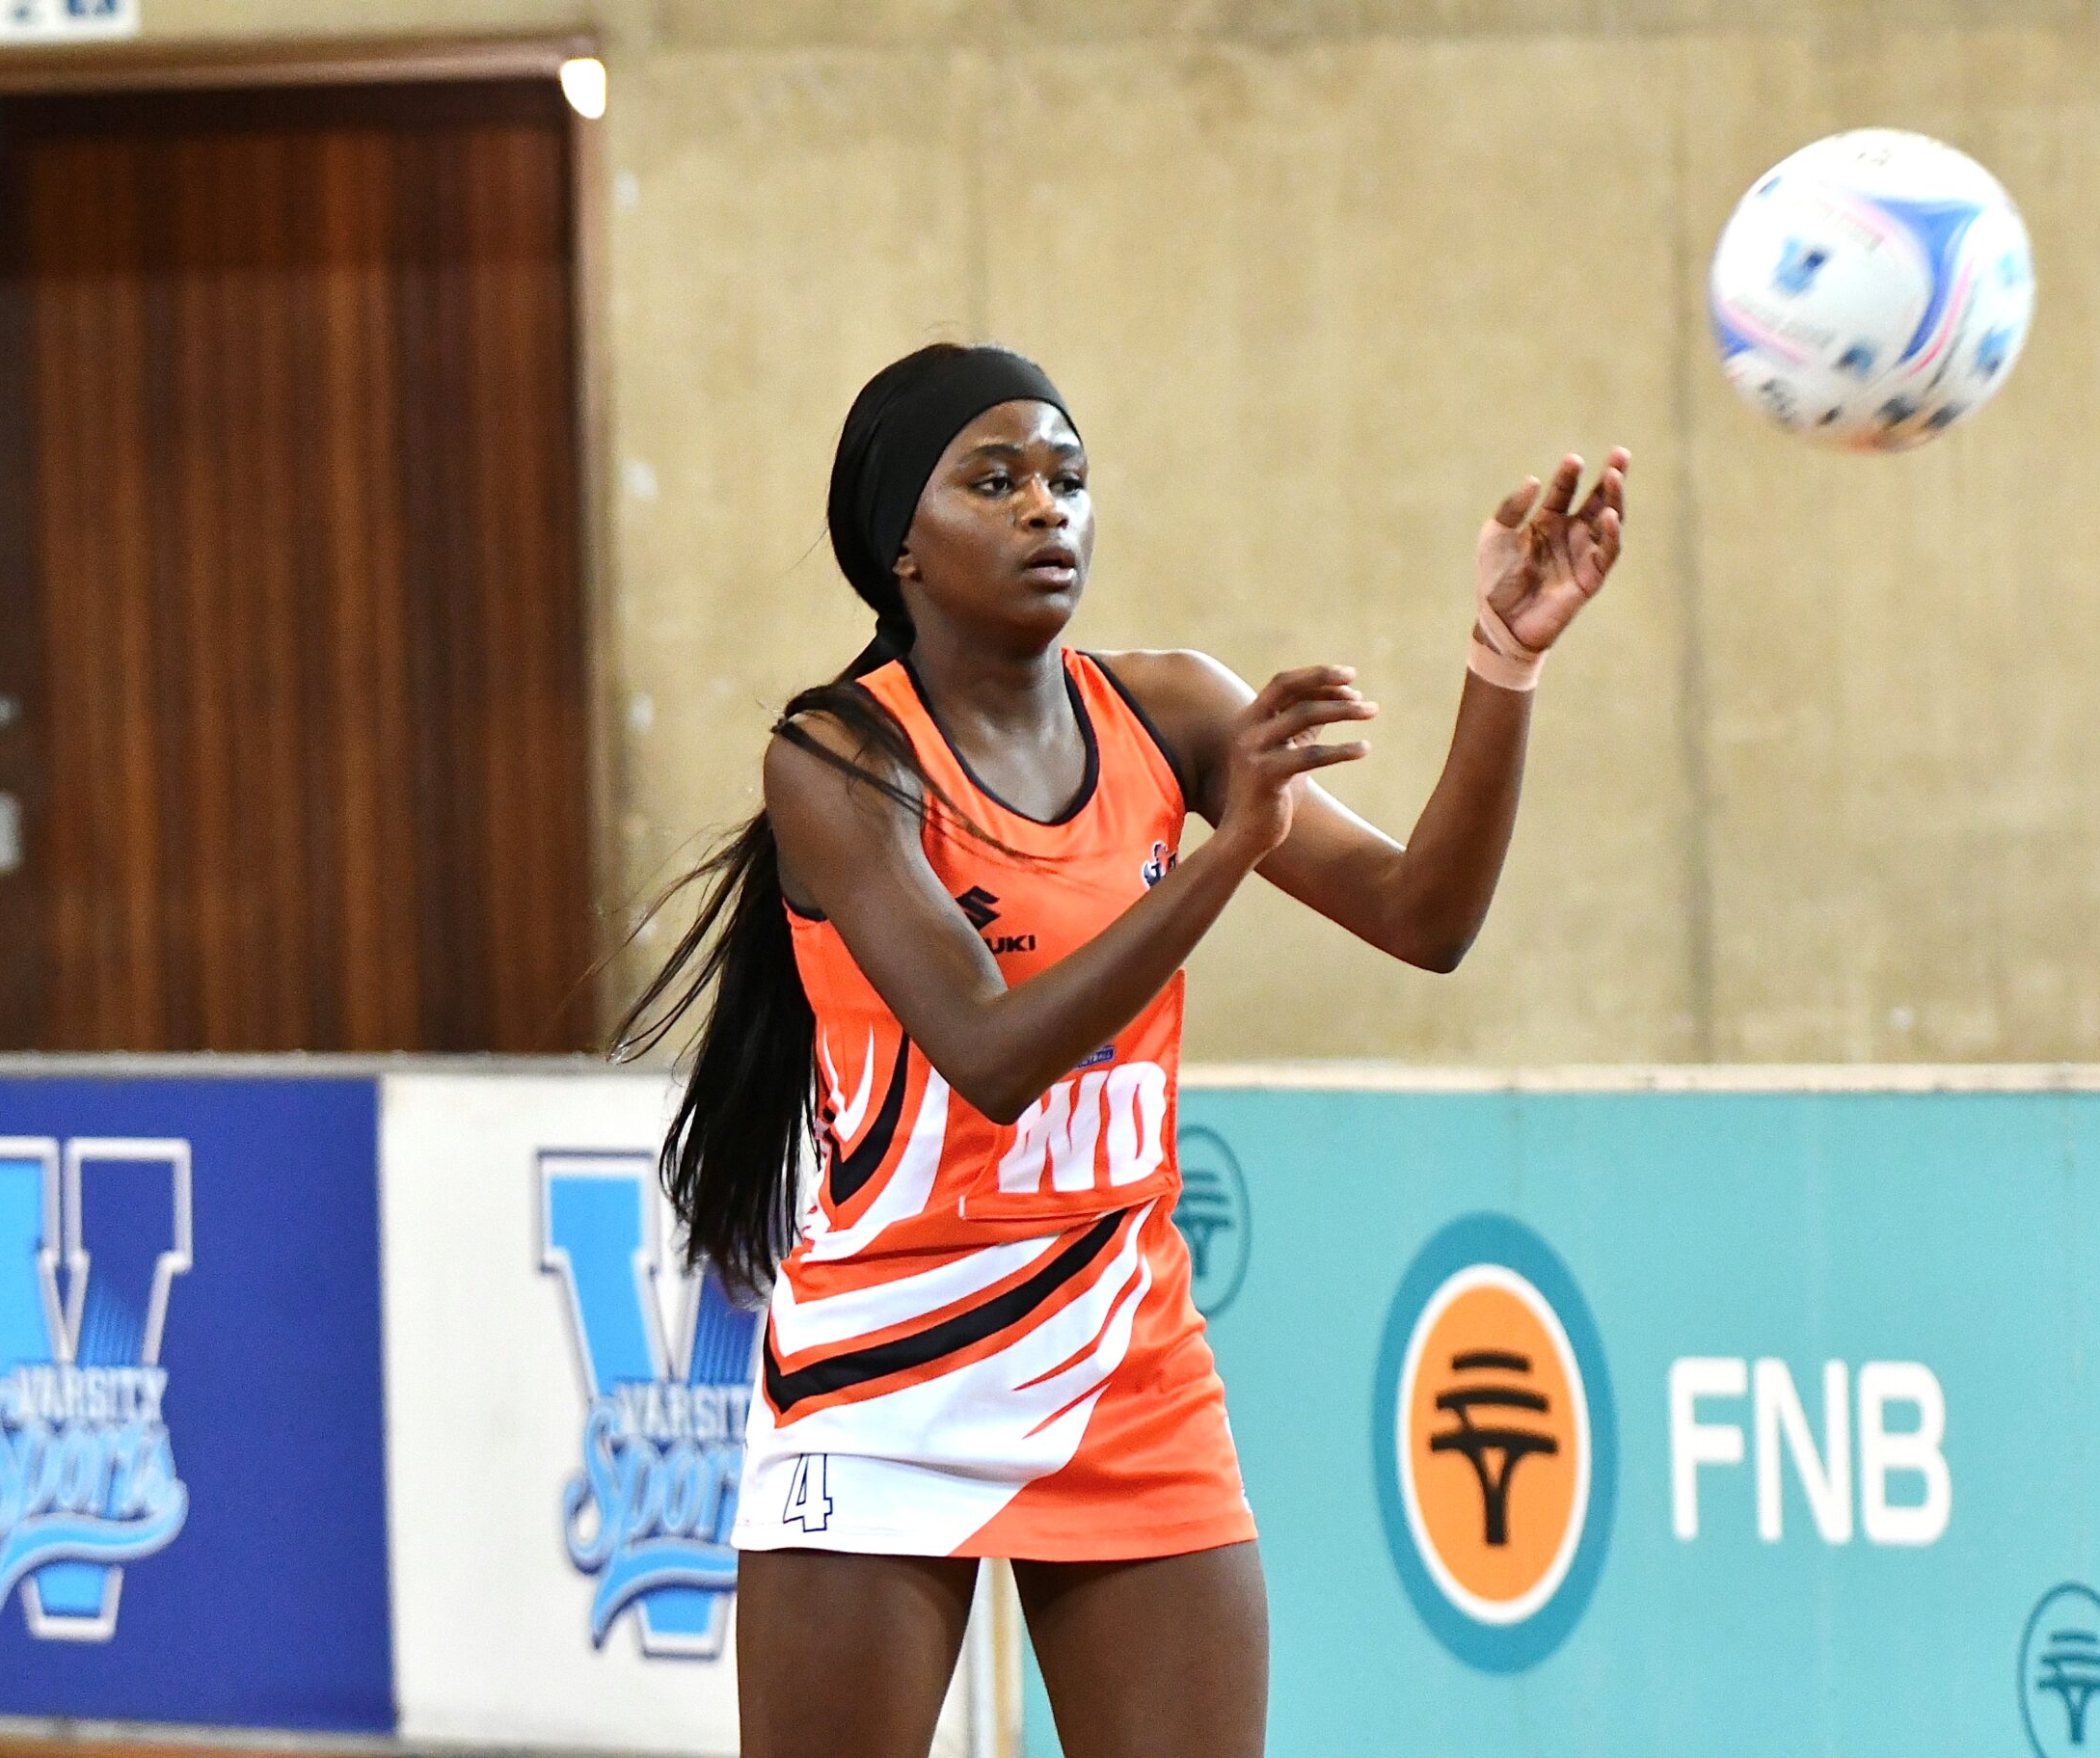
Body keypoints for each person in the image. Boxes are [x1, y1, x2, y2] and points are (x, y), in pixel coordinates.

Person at [613, 342, 1626, 1758]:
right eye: (998, 479)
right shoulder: (837, 759)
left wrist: (1500, 661)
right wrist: (1231, 854)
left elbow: (1427, 918)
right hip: (882, 1385)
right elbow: (988, 1049)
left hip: (1125, 1370)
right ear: (897, 542)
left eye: (1070, 478)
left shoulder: (1171, 711)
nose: (1049, 510)